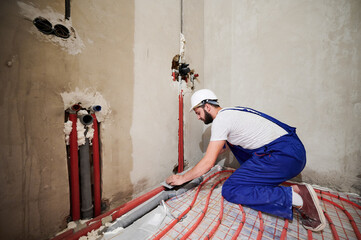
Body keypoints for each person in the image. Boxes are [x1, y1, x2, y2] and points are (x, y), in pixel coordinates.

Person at [166, 89, 326, 232]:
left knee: (231, 188)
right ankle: (298, 191)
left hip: (283, 155)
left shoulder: (222, 120)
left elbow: (208, 162)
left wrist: (182, 178)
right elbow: (220, 149)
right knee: (242, 170)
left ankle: (299, 199)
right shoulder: (233, 113)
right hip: (293, 151)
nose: (198, 117)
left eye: (197, 112)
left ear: (207, 107)